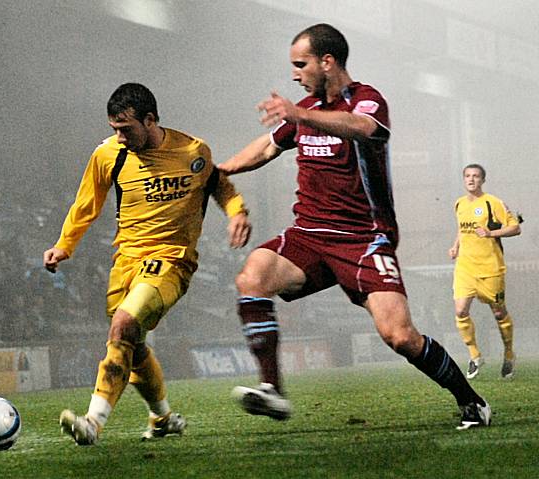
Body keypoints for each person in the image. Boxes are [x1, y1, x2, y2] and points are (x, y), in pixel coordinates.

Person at [218, 23, 491, 430]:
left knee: (400, 337)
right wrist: (221, 171)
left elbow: (362, 128)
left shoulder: (367, 101)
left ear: (327, 62)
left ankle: (471, 401)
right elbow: (267, 146)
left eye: (301, 64)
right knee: (251, 278)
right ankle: (272, 389)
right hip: (309, 235)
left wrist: (301, 113)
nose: (295, 74)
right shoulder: (304, 109)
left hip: (364, 240)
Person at [44, 83, 251, 445]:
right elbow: (86, 203)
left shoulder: (192, 151)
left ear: (150, 119)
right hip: (125, 262)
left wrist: (237, 213)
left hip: (172, 260)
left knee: (124, 325)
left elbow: (219, 184)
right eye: (114, 130)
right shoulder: (109, 155)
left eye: (126, 129)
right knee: (132, 345)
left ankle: (92, 423)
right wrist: (65, 245)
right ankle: (162, 418)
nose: (120, 138)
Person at [448, 164, 521, 379]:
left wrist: (491, 233)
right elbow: (462, 230)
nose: (471, 179)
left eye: (476, 176)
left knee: (499, 313)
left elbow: (515, 227)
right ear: (464, 179)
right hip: (465, 267)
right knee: (460, 310)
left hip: (491, 268)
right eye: (468, 176)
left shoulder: (493, 203)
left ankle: (508, 354)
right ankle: (475, 356)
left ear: (483, 180)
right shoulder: (459, 204)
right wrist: (456, 246)